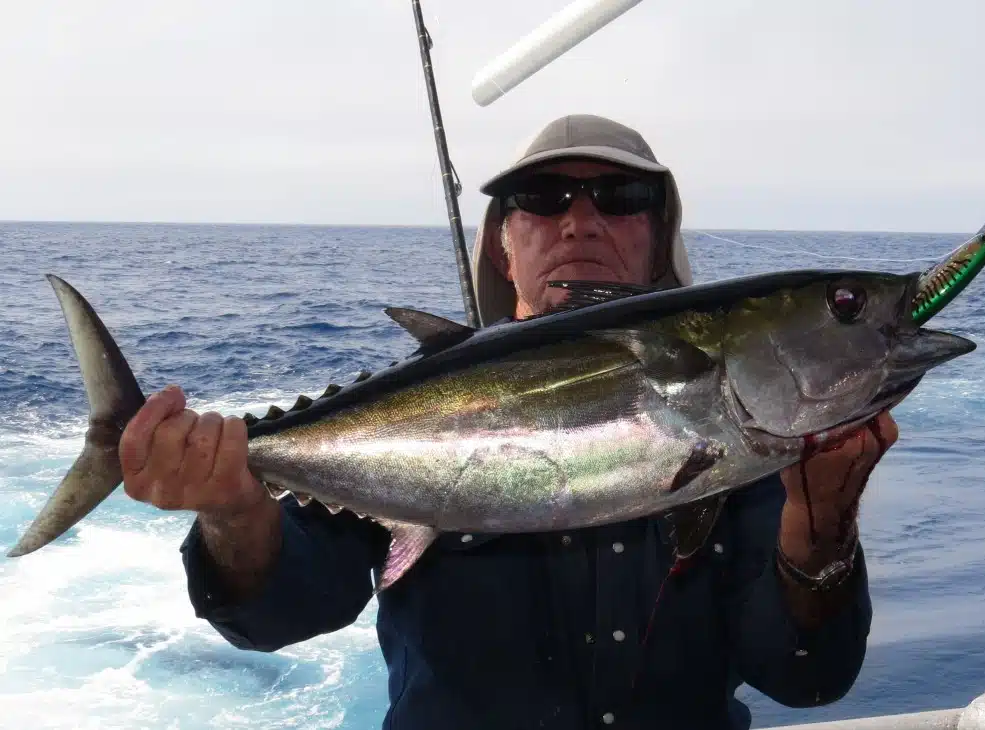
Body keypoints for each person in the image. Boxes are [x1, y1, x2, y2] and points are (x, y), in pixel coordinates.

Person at [119, 114, 897, 729]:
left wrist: (822, 529)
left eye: (621, 201)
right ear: (502, 244)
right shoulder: (417, 404)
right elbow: (281, 612)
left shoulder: (754, 441)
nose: (581, 221)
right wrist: (232, 511)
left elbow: (807, 676)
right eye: (544, 199)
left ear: (661, 240)